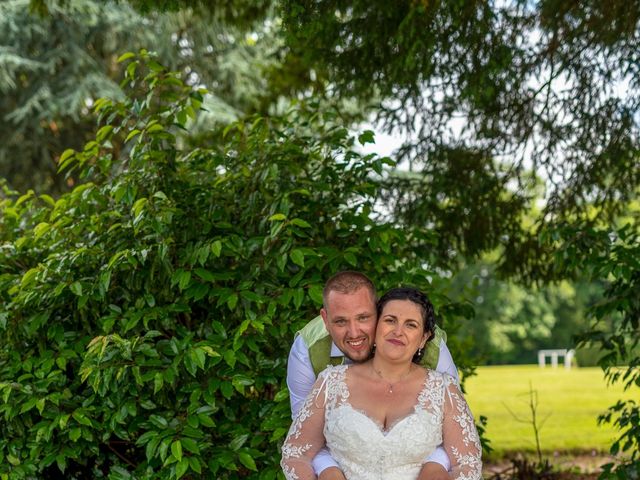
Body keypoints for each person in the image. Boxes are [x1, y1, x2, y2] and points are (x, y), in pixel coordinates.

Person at [281, 287, 482, 480]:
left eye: (411, 324)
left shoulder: (444, 389)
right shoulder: (330, 382)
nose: (398, 331)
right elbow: (296, 453)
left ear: (423, 338)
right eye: (390, 320)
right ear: (376, 326)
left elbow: (467, 463)